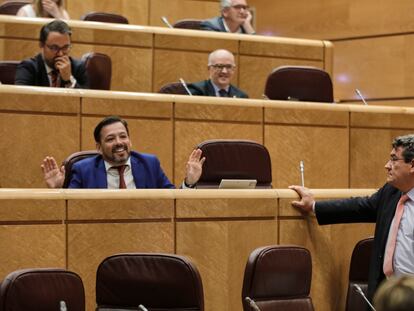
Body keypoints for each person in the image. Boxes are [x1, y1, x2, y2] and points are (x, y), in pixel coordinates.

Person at [289, 134, 414, 302]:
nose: (387, 166)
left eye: (394, 160)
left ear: (412, 165)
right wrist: (314, 206)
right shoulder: (391, 192)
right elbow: (360, 207)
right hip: (389, 297)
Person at [41, 116, 205, 189]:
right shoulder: (83, 169)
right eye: (110, 139)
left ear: (130, 141)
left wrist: (189, 183)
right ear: (98, 147)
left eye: (123, 136)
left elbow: (173, 203)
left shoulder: (149, 164)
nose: (119, 142)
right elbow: (71, 209)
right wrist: (57, 191)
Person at [15, 20, 88, 88]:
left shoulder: (78, 68)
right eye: (54, 48)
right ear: (41, 45)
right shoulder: (28, 68)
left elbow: (86, 100)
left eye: (65, 47)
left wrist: (69, 79)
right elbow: (20, 99)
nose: (60, 54)